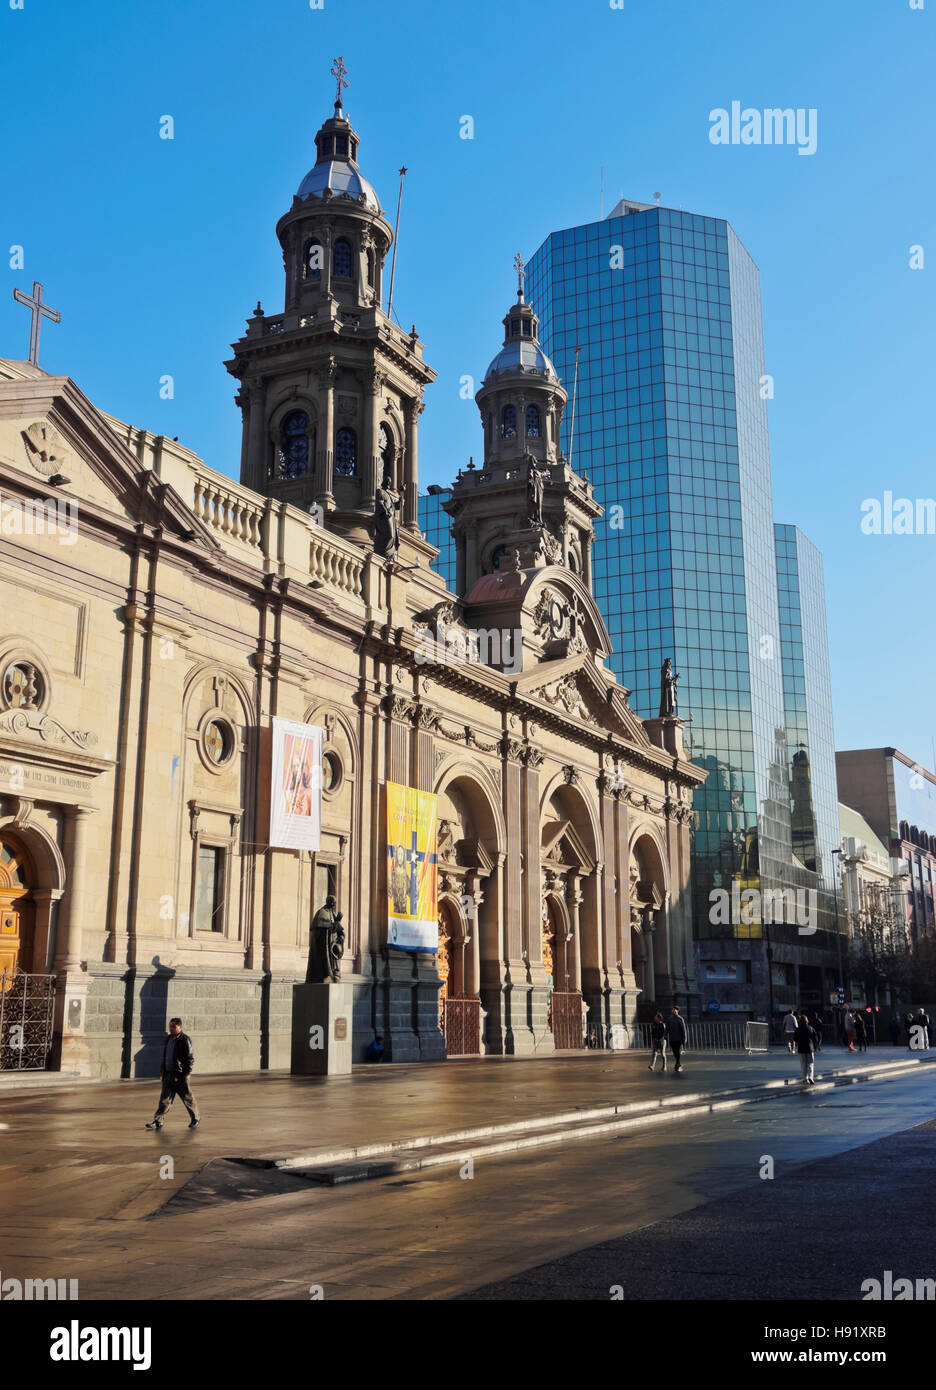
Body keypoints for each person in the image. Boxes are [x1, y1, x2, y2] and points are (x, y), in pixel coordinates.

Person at [145, 1017, 199, 1130]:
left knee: (187, 1098)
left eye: (173, 1027)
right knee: (164, 1099)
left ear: (180, 1027)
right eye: (170, 1026)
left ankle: (195, 1119)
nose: (171, 1029)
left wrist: (187, 1073)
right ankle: (158, 1121)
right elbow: (165, 1057)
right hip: (168, 1074)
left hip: (180, 1076)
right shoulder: (168, 1038)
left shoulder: (185, 1039)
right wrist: (162, 1071)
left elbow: (190, 1058)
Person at [795, 1012, 818, 1085]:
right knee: (810, 1063)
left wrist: (799, 1042)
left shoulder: (798, 1029)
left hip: (801, 1048)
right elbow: (815, 1038)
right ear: (807, 1021)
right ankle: (811, 1077)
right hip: (809, 1048)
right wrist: (815, 1046)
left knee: (803, 1064)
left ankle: (805, 1078)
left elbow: (795, 1038)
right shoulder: (810, 1028)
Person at [666, 1006, 687, 1072]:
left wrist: (684, 1039)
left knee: (677, 1052)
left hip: (679, 1038)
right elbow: (667, 1028)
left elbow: (684, 1030)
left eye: (676, 1010)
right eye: (673, 1009)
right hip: (672, 1038)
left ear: (678, 1011)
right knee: (675, 1052)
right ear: (672, 1010)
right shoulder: (670, 1019)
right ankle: (678, 1064)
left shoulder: (680, 1019)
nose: (674, 1010)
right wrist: (665, 1036)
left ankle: (677, 1064)